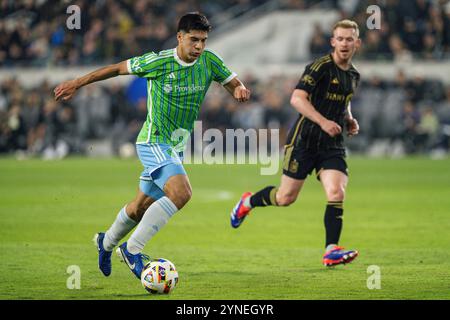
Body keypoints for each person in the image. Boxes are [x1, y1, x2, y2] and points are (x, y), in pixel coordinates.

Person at [54, 13, 250, 279]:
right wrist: (77, 83)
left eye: (203, 41)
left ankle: (106, 242)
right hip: (153, 140)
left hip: (175, 146)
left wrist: (238, 89)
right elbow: (115, 69)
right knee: (182, 193)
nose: (199, 47)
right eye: (194, 40)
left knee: (138, 207)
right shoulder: (158, 61)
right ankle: (132, 249)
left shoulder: (209, 61)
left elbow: (232, 82)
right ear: (180, 37)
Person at [230, 20, 361, 267]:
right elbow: (297, 99)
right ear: (333, 41)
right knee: (285, 197)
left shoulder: (353, 75)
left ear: (357, 43)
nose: (344, 43)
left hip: (332, 144)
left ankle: (331, 249)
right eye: (340, 38)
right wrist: (323, 121)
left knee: (336, 192)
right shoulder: (320, 67)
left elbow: (344, 102)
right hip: (304, 141)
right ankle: (248, 201)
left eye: (349, 39)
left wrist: (349, 118)